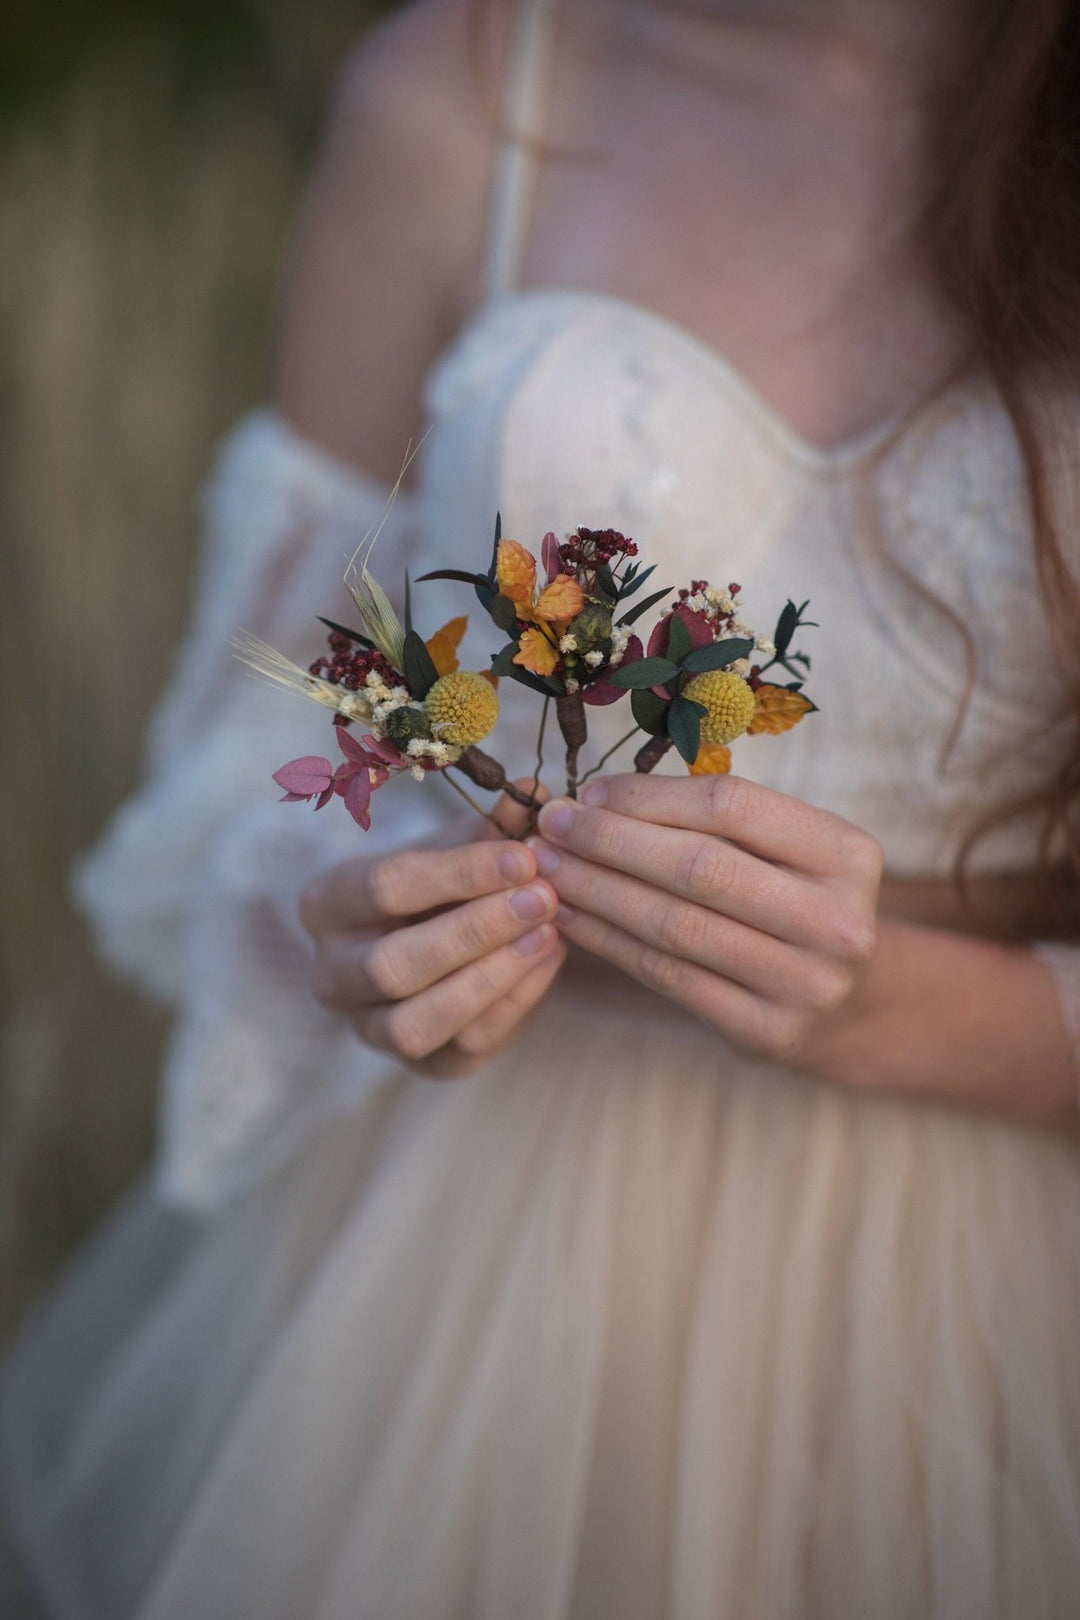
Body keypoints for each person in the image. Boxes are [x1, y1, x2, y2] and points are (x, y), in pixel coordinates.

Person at [4, 0, 1080, 1614]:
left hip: (1003, 1301)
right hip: (451, 1276)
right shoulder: (474, 78)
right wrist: (364, 944)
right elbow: (271, 731)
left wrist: (887, 1005)